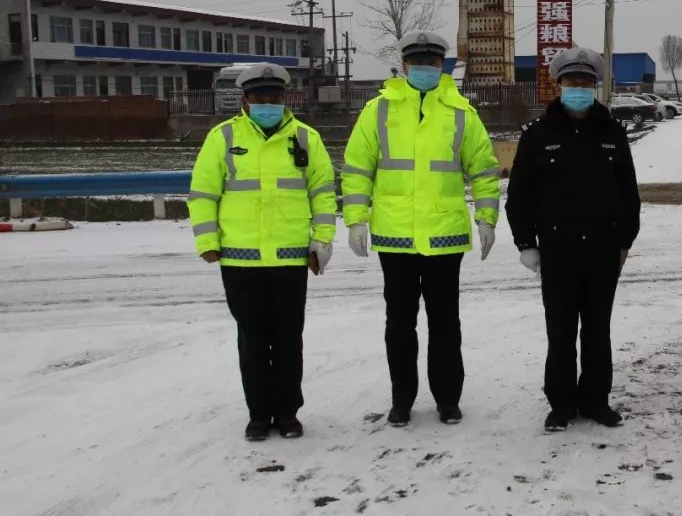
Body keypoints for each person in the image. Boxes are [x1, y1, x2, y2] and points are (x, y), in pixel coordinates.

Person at [341, 31, 501, 427]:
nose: (426, 70)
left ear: (440, 66)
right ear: (405, 65)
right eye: (418, 63)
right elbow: (358, 168)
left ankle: (448, 399)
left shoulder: (461, 112)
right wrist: (356, 219)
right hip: (395, 237)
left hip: (445, 236)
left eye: (433, 63)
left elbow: (483, 169)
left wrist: (487, 217)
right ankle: (402, 401)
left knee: (446, 323)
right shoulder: (379, 111)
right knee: (399, 324)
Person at [188, 62, 337, 441]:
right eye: (260, 97)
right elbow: (203, 194)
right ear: (246, 100)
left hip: (291, 258)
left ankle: (288, 413)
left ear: (285, 98)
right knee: (252, 340)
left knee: (289, 339)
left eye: (274, 97)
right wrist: (207, 241)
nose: (267, 103)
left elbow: (322, 192)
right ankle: (258, 414)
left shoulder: (306, 139)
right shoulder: (223, 138)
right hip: (240, 260)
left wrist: (322, 239)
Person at [506, 47, 641, 433]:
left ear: (595, 86)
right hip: (557, 249)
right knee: (561, 331)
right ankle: (561, 405)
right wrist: (525, 243)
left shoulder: (613, 132)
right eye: (571, 83)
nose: (578, 89)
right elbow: (519, 194)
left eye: (585, 83)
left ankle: (597, 401)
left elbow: (629, 193)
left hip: (602, 250)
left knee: (598, 330)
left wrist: (624, 242)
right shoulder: (538, 134)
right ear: (558, 85)